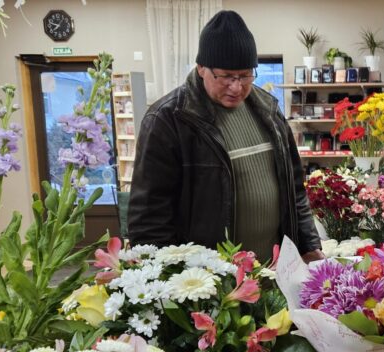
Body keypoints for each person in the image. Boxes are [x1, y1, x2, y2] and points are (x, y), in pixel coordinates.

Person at [127, 10, 323, 263]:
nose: (236, 86)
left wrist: (308, 245)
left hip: (273, 271)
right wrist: (173, 280)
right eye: (226, 76)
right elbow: (148, 217)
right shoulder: (168, 120)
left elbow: (294, 190)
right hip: (208, 281)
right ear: (201, 68)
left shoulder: (269, 111)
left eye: (245, 75)